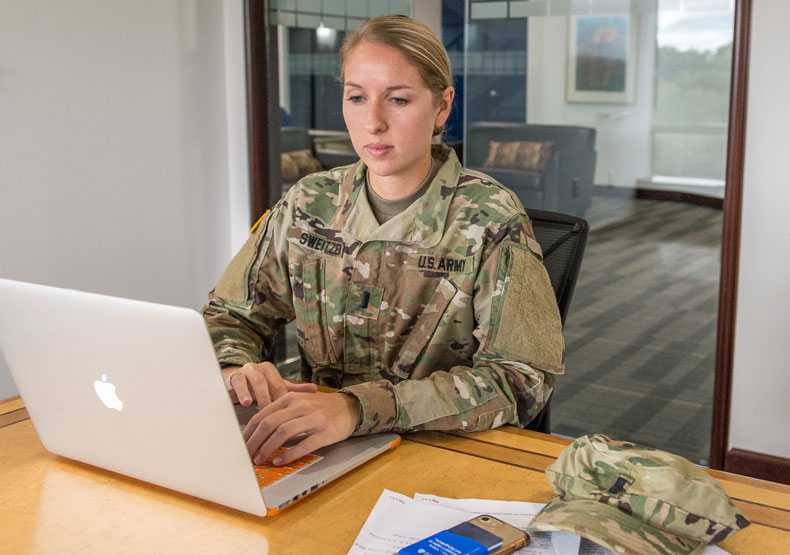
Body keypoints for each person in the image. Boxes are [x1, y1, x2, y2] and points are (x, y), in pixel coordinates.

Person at [201, 15, 564, 468]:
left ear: (442, 107)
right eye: (357, 97)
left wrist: (358, 409)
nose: (372, 122)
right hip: (316, 448)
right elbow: (229, 315)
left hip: (436, 452)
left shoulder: (490, 218)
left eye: (398, 99)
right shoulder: (308, 203)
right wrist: (236, 370)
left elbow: (522, 379)